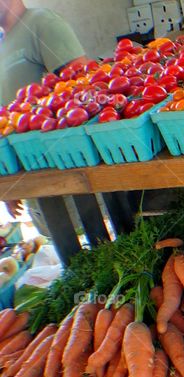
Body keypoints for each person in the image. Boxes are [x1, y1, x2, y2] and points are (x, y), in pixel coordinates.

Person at [0, 0, 90, 233]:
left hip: (71, 179)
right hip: (35, 186)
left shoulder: (42, 22)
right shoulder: (3, 44)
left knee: (98, 241)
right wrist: (7, 178)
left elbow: (85, 90)